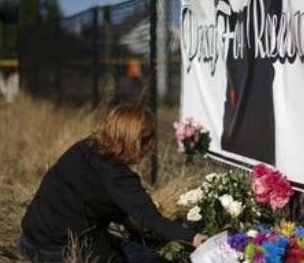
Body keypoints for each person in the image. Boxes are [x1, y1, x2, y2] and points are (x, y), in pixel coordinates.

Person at [19, 105, 207, 263]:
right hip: (59, 251)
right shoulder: (118, 177)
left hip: (30, 239)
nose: (152, 147)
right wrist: (195, 238)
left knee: (139, 253)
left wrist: (128, 222)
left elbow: (99, 197)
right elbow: (152, 220)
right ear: (131, 139)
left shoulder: (85, 148)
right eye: (146, 140)